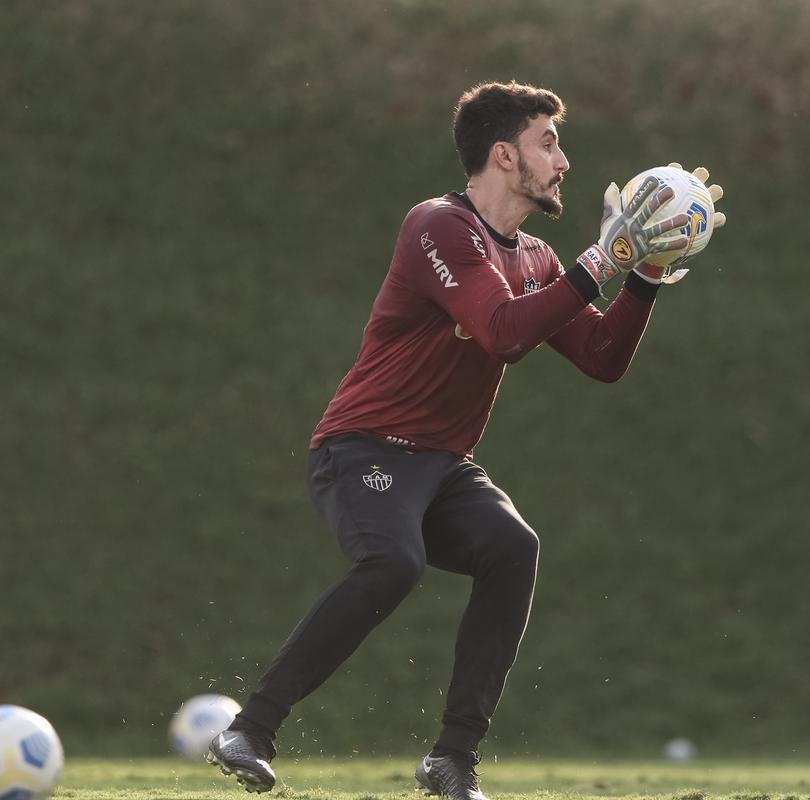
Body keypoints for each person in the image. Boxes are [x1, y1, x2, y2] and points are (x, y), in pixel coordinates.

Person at [206, 80, 726, 798]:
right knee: (393, 563)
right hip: (363, 449)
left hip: (442, 466)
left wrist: (642, 275)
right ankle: (251, 728)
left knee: (513, 548)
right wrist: (601, 261)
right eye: (549, 142)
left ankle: (452, 759)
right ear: (503, 155)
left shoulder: (539, 258)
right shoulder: (436, 227)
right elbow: (503, 333)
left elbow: (603, 359)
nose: (564, 161)